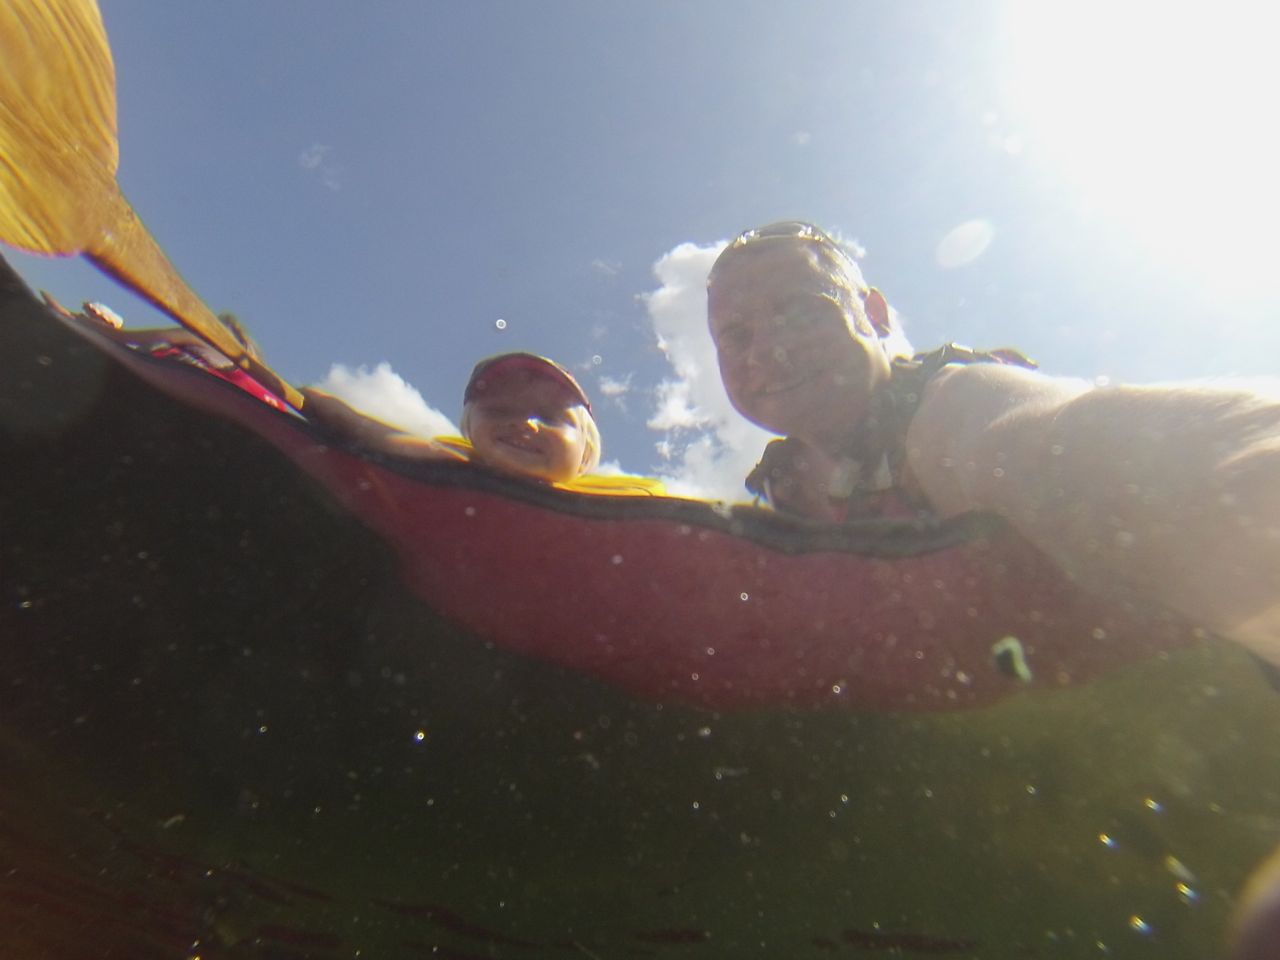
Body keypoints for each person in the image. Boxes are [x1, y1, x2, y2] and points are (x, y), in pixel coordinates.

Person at [707, 220, 1280, 668]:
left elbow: (1051, 440)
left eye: (800, 310)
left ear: (874, 315)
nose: (767, 351)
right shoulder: (782, 489)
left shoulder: (951, 404)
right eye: (736, 336)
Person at [304, 351, 662, 494]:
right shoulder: (453, 463)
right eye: (500, 412)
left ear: (586, 451)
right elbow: (382, 436)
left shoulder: (629, 503)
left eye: (548, 417)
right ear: (470, 431)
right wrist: (316, 402)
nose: (525, 425)